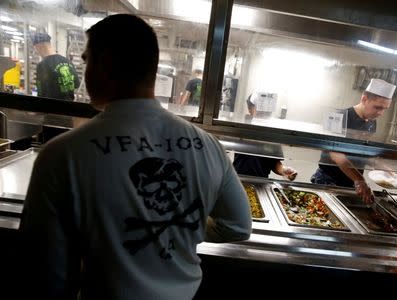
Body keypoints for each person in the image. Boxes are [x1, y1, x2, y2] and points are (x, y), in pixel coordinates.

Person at [19, 14, 252, 300]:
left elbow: (45, 277)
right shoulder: (208, 146)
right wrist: (182, 223)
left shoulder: (62, 155)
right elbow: (238, 226)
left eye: (86, 60)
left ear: (102, 65)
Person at [310, 78, 396, 204]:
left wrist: (378, 164)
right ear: (364, 99)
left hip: (351, 182)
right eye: (377, 107)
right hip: (328, 180)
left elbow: (363, 152)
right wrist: (360, 180)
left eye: (384, 109)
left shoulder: (372, 122)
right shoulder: (338, 117)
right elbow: (337, 156)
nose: (381, 113)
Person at [233, 93, 297, 181]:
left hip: (261, 182)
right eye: (260, 108)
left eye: (267, 110)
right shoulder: (242, 128)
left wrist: (283, 170)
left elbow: (274, 163)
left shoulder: (272, 134)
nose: (263, 112)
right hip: (237, 179)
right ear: (250, 109)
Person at [31, 32, 80, 101]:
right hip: (69, 108)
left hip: (52, 109)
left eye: (35, 48)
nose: (37, 51)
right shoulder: (67, 61)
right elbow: (76, 85)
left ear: (39, 46)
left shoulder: (42, 65)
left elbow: (41, 93)